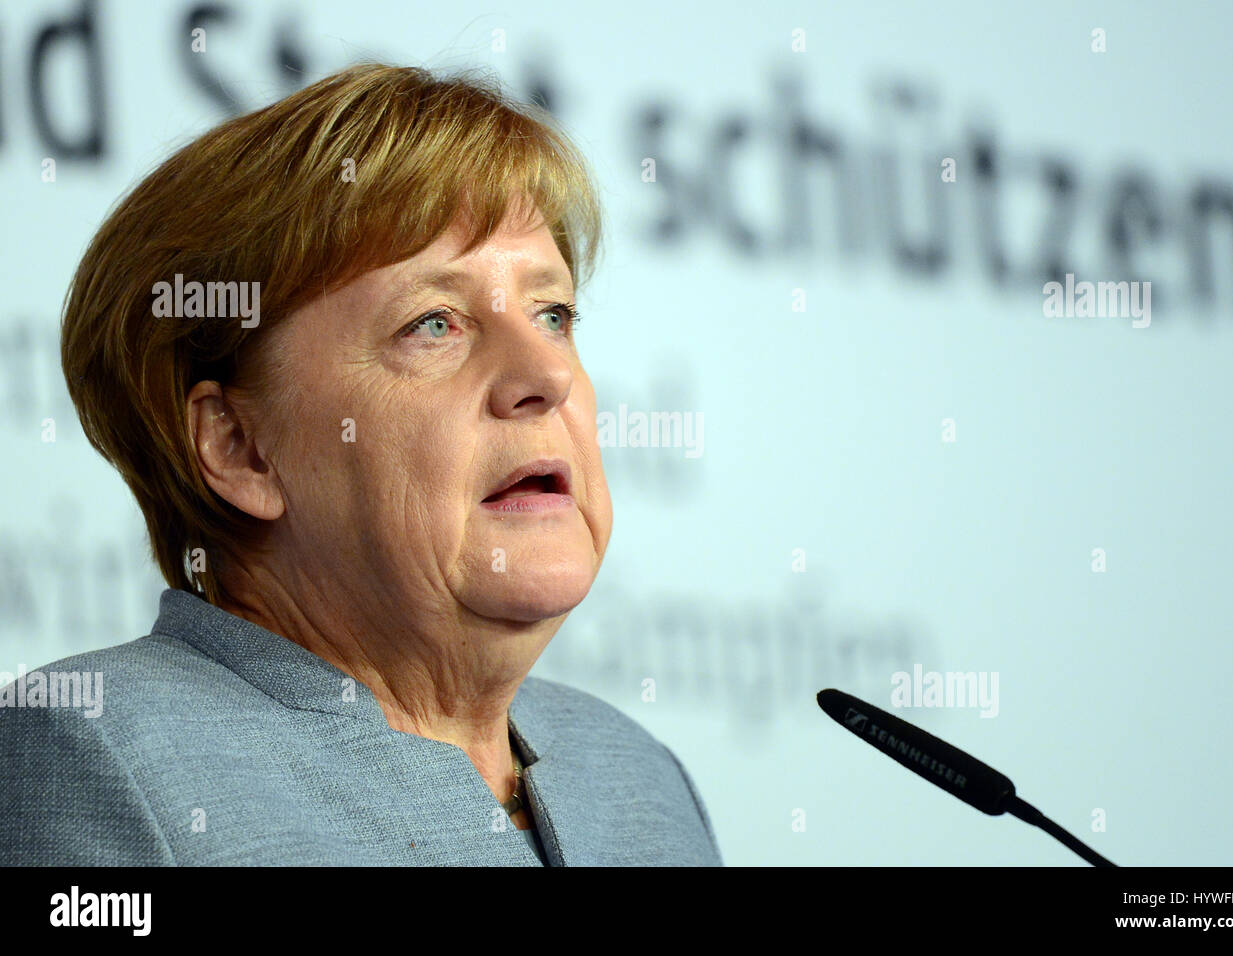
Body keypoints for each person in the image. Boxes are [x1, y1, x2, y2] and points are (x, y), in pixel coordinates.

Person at [0, 63, 722, 866]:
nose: (546, 378)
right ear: (240, 447)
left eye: (552, 314)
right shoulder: (96, 754)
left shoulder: (637, 779)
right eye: (434, 324)